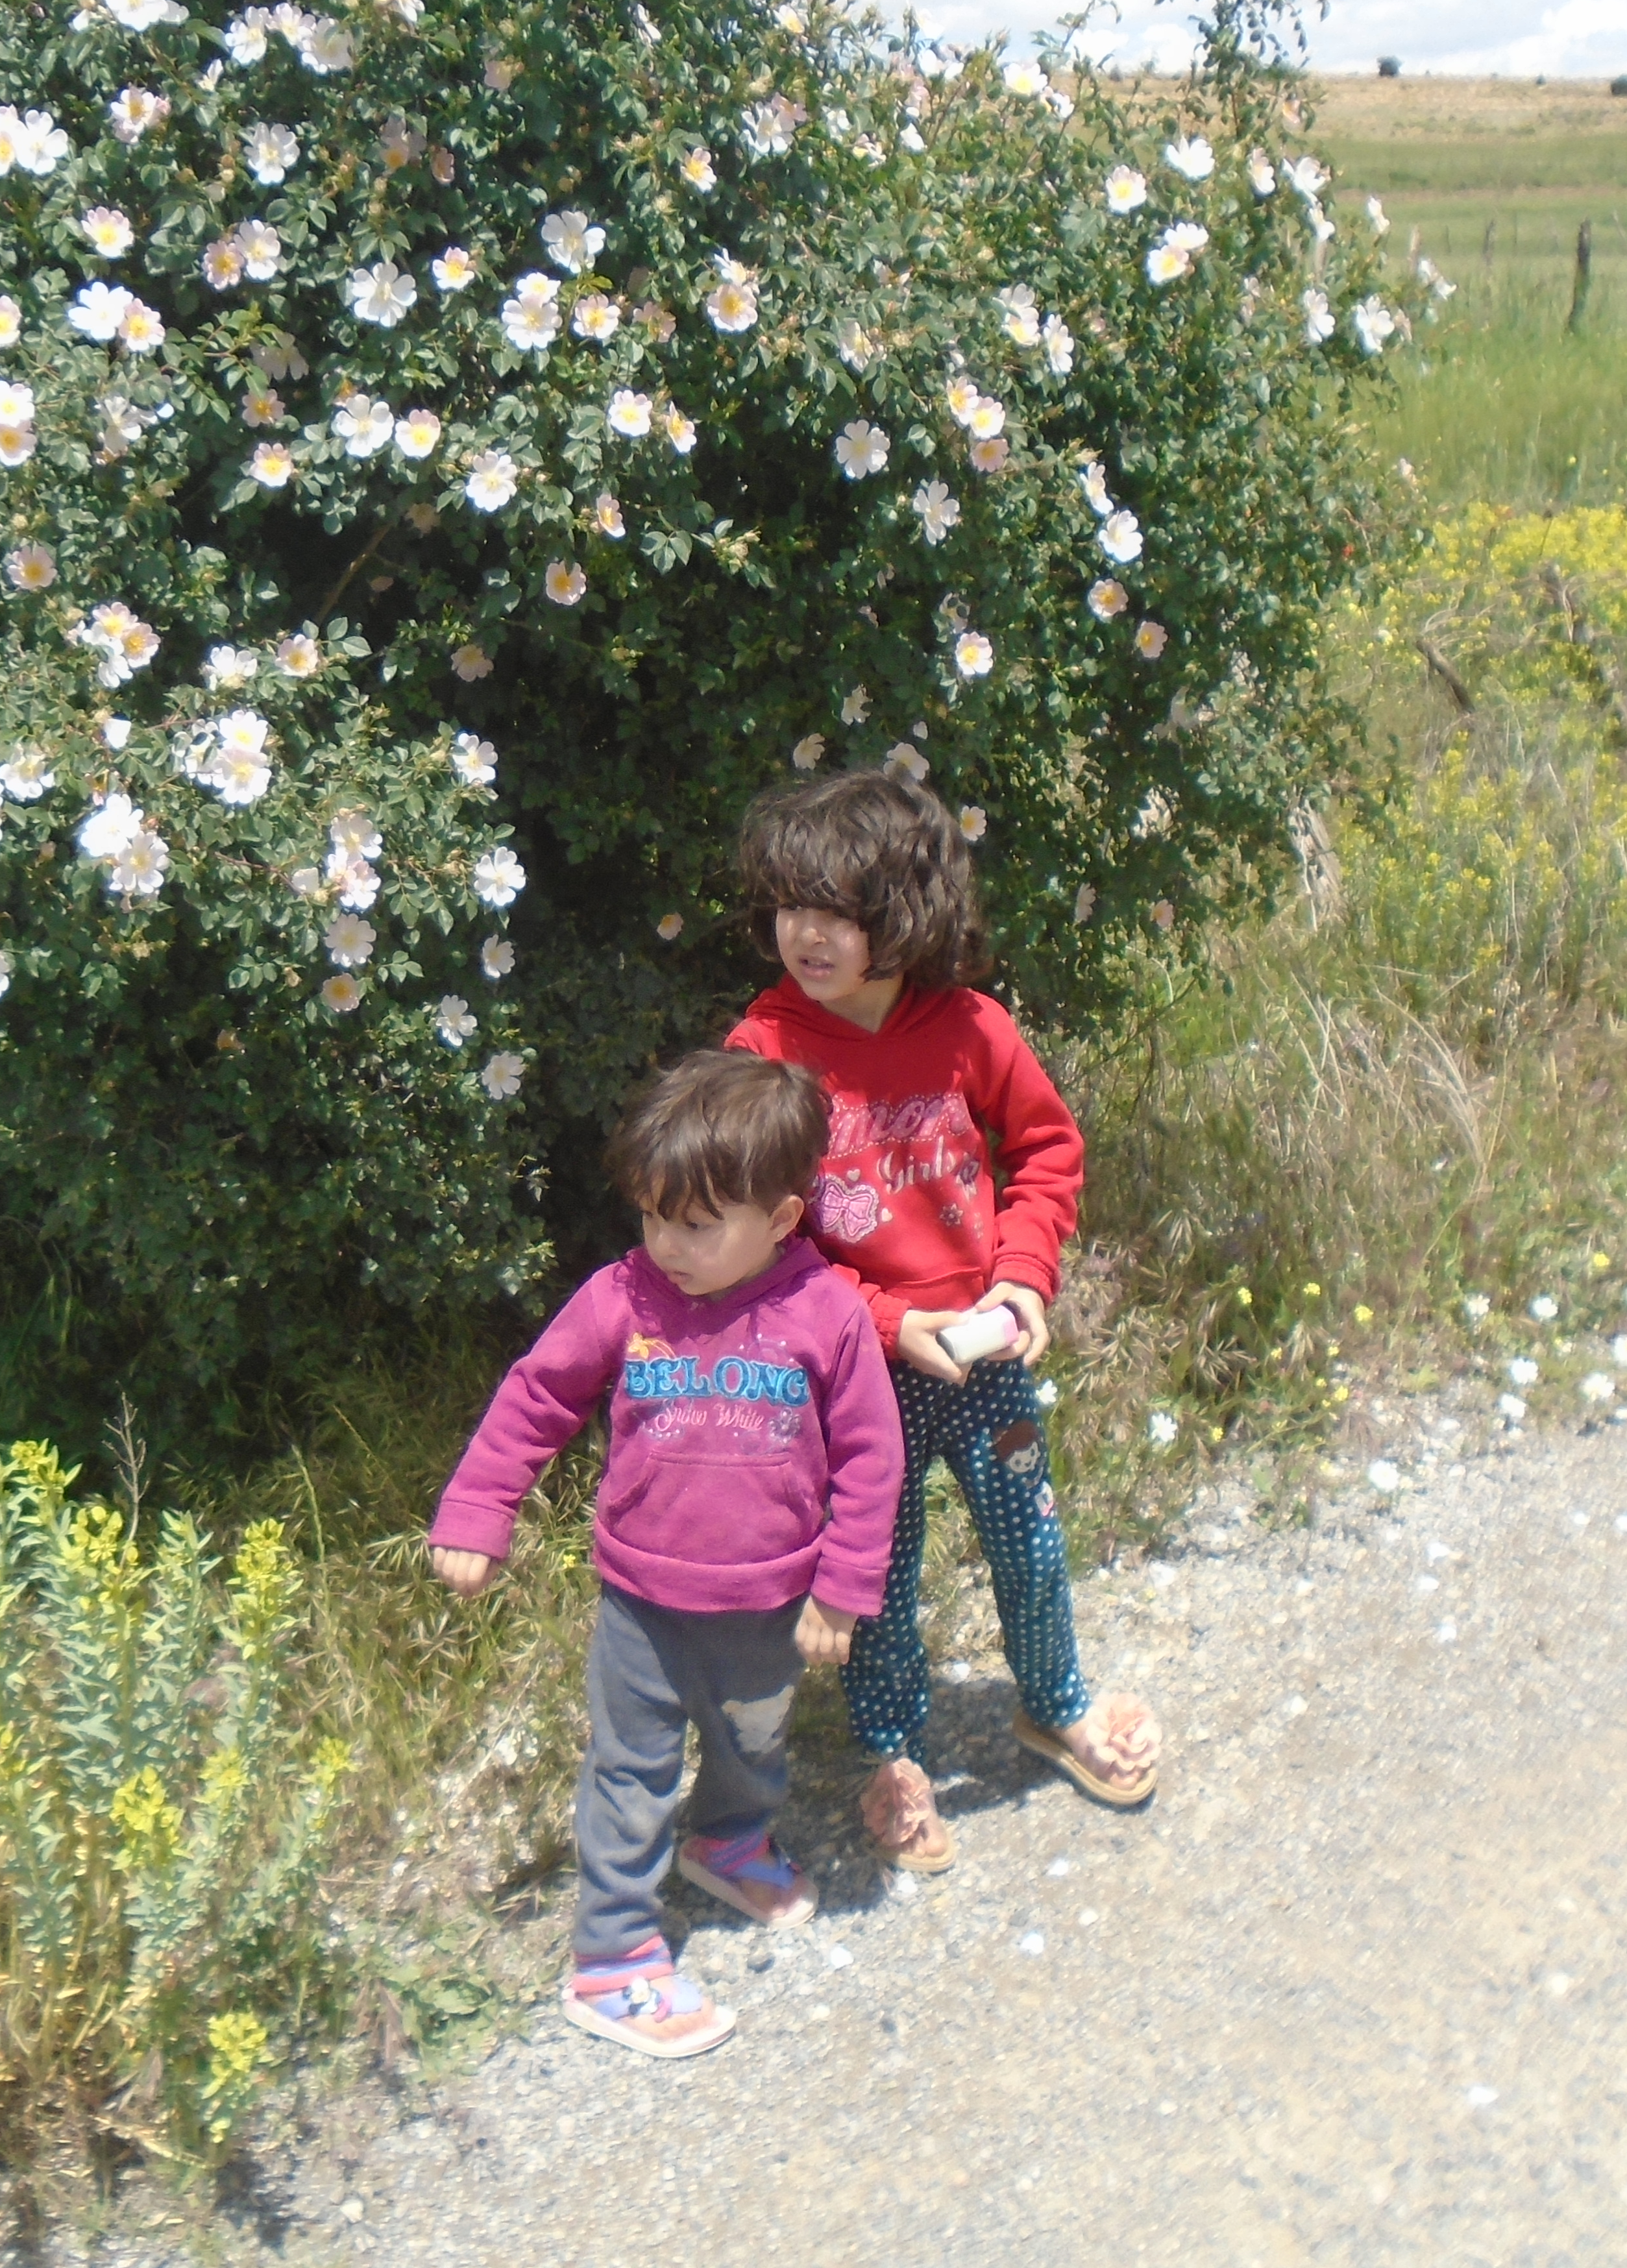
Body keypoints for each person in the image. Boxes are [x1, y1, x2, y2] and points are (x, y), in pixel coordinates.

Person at [726, 768, 1160, 1876]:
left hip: (986, 1355)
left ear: (904, 913)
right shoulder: (763, 1054)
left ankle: (1055, 1704)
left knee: (1031, 1540)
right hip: (858, 1376)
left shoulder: (970, 1027)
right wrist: (876, 1322)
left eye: (837, 912)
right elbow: (760, 1243)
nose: (805, 934)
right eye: (789, 906)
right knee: (877, 1570)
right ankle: (892, 1754)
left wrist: (1022, 1281)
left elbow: (1048, 1153)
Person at [429, 1051, 903, 2058]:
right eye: (653, 1216)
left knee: (753, 1746)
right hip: (641, 1602)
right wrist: (477, 1511)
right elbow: (537, 1397)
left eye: (697, 1224)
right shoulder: (622, 1298)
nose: (667, 1245)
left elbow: (871, 1459)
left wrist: (842, 1590)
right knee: (629, 1771)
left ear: (779, 1221)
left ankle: (726, 1843)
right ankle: (611, 1960)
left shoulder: (828, 1316)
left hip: (772, 1606)